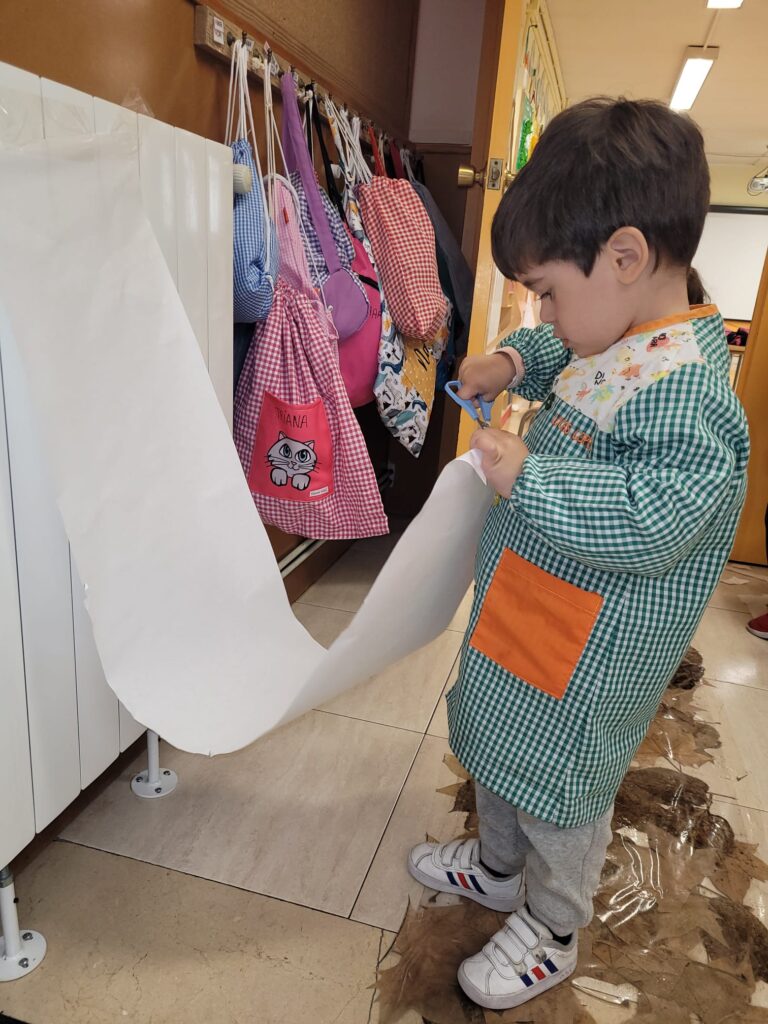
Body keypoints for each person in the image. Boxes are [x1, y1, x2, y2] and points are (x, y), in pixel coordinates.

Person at [407, 98, 750, 1012]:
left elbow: (652, 520)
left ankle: (553, 925)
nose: (543, 313)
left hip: (590, 657)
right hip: (531, 612)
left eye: (547, 291)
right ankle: (495, 869)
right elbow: (563, 348)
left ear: (626, 257)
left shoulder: (689, 394)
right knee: (497, 744)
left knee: (559, 791)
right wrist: (509, 363)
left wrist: (530, 476)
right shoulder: (617, 334)